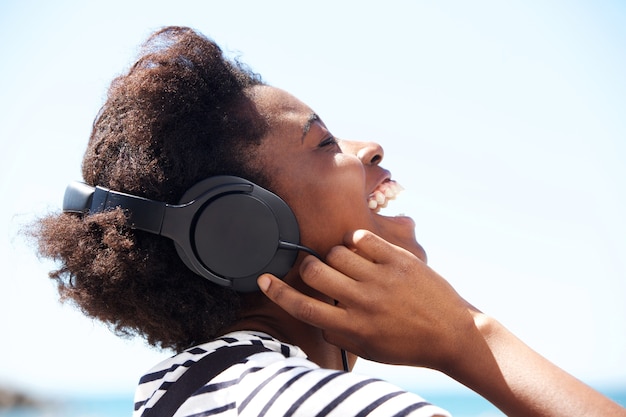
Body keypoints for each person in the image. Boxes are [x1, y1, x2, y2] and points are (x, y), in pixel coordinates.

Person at [32, 26, 624, 417]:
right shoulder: (304, 404)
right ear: (234, 230)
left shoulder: (188, 391)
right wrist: (467, 337)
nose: (371, 148)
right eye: (324, 142)